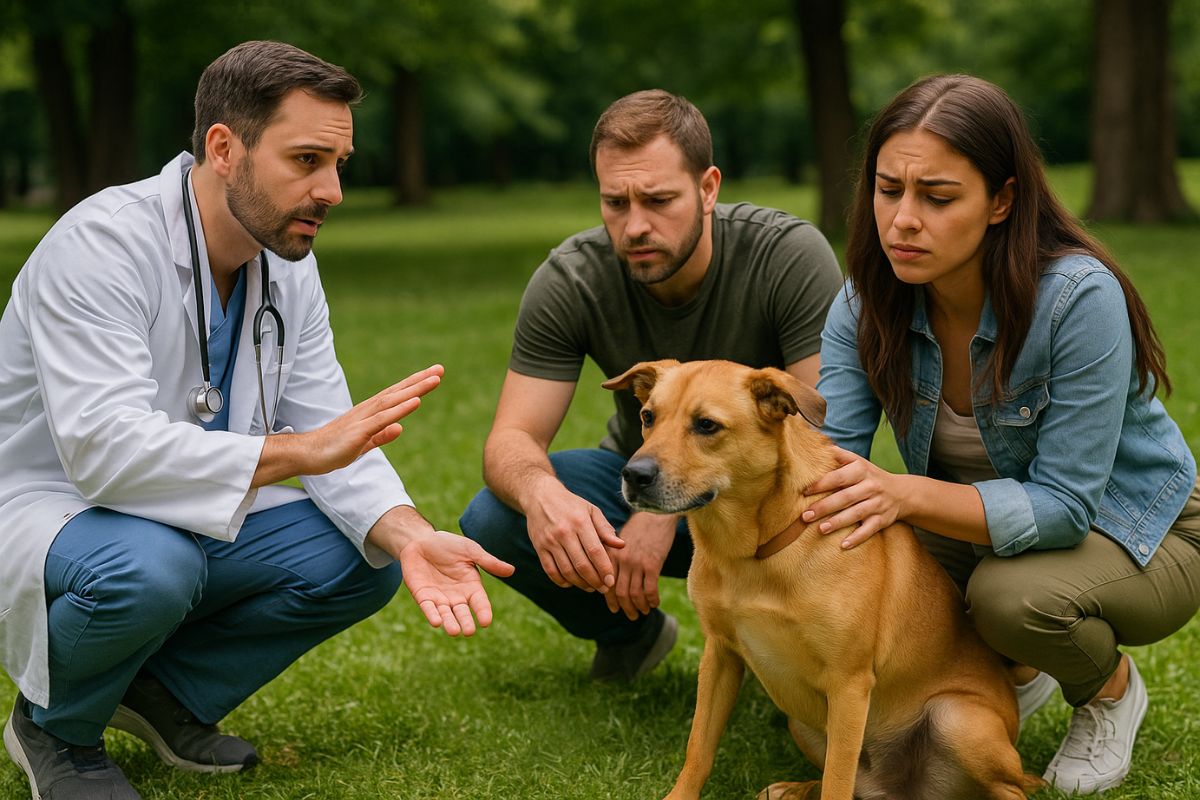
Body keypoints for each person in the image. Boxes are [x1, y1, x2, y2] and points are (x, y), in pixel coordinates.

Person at [0, 41, 512, 800]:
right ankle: (56, 729)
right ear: (223, 148)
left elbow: (329, 424)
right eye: (306, 160)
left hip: (176, 513)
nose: (332, 190)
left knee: (364, 553)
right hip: (58, 507)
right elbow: (103, 452)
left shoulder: (285, 265)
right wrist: (299, 452)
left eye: (338, 164)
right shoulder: (101, 244)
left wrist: (410, 536)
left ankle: (159, 693)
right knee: (153, 569)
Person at [807, 73, 1200, 795]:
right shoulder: (864, 303)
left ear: (1002, 200)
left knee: (1010, 599)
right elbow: (826, 460)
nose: (903, 220)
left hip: (1142, 528)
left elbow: (1065, 505)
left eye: (938, 197)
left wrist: (903, 495)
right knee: (871, 562)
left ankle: (1107, 689)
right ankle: (1008, 668)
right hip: (977, 524)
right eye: (889, 190)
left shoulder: (1077, 298)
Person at [459, 89, 843, 682]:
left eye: (659, 200)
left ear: (708, 189)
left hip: (773, 504)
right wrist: (544, 498)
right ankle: (630, 634)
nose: (635, 226)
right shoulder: (571, 278)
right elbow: (511, 440)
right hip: (639, 484)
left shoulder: (787, 256)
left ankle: (796, 662)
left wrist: (664, 515)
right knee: (495, 516)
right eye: (615, 202)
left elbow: (827, 436)